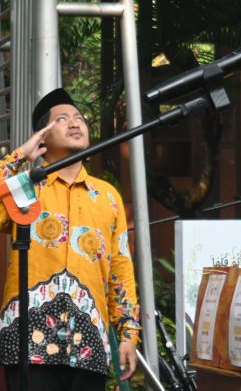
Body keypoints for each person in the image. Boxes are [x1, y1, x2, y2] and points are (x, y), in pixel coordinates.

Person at [0, 88, 140, 390]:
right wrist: (20, 156)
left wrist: (128, 334)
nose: (75, 123)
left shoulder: (107, 197)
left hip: (88, 342)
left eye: (79, 118)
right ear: (43, 138)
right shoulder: (26, 188)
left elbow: (121, 268)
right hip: (27, 341)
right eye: (62, 120)